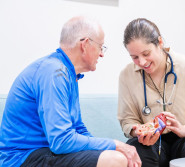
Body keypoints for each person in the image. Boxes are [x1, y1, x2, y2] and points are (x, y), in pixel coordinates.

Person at [0, 16, 141, 167]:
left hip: (44, 153)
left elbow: (78, 128)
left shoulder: (66, 73)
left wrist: (104, 149)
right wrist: (115, 144)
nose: (102, 54)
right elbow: (61, 141)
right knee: (115, 159)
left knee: (112, 155)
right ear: (85, 44)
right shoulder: (54, 72)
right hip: (21, 159)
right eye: (101, 47)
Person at [117, 18, 185, 167]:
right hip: (152, 143)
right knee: (134, 149)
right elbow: (128, 121)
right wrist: (139, 131)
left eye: (146, 53)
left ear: (160, 43)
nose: (141, 62)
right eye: (134, 57)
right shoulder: (127, 75)